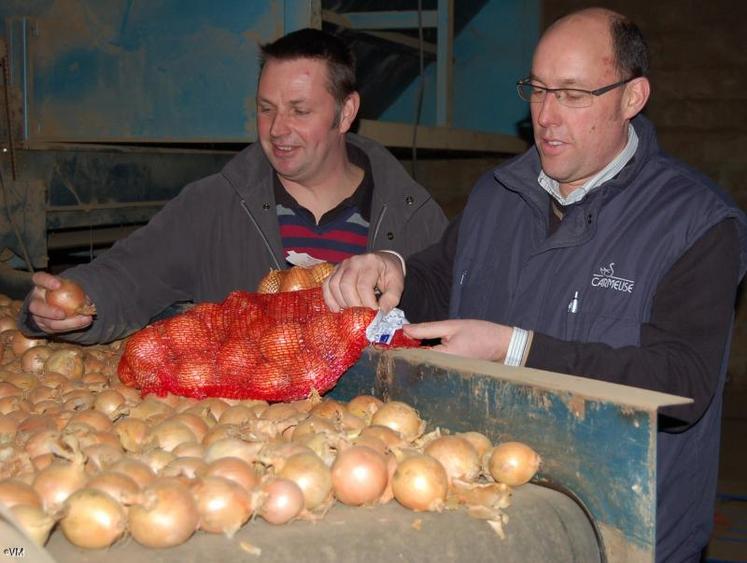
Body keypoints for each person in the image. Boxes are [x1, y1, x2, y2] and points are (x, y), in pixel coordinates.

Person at [323, 8, 747, 561]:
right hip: (490, 522)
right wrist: (394, 268)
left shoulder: (696, 222)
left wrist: (516, 351)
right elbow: (443, 277)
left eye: (572, 94)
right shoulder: (499, 193)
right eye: (538, 89)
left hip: (617, 536)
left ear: (631, 97)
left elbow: (682, 383)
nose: (546, 115)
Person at [18, 28, 447, 344]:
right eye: (266, 109)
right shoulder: (216, 206)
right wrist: (64, 302)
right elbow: (128, 275)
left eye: (299, 110)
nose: (278, 129)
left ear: (346, 111)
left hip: (371, 441)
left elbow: (464, 306)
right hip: (243, 436)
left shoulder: (410, 215)